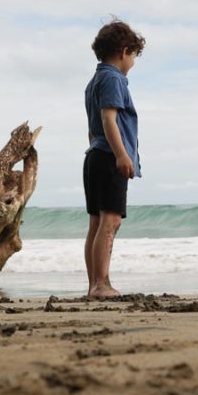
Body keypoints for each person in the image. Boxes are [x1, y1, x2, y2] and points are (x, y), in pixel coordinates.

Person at [83, 19, 145, 299]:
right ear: (124, 51)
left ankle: (94, 284)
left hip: (96, 155)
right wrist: (121, 154)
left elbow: (92, 126)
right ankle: (101, 284)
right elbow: (109, 119)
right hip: (108, 157)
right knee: (110, 222)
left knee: (97, 224)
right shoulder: (113, 78)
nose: (133, 61)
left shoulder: (94, 81)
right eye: (133, 54)